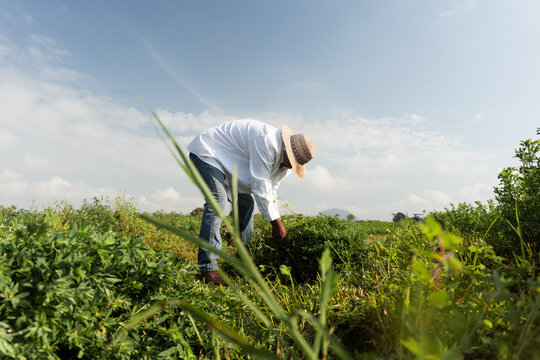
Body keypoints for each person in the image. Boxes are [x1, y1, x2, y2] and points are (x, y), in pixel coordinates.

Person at [186, 119, 315, 285]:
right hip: (208, 153)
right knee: (218, 204)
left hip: (230, 164)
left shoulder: (286, 166)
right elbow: (260, 185)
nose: (290, 166)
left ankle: (244, 255)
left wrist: (276, 221)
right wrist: (277, 225)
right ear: (286, 149)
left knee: (246, 205)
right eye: (291, 161)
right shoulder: (266, 141)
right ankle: (207, 269)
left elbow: (271, 190)